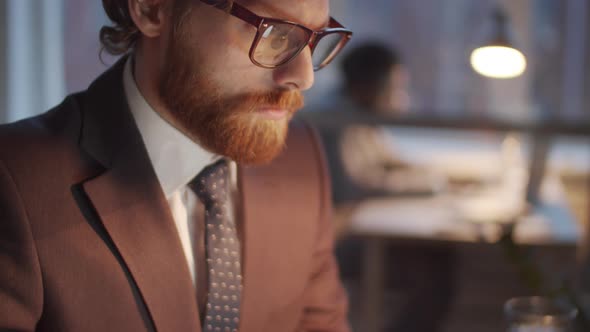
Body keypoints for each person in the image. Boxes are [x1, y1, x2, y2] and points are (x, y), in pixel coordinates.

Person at [0, 0, 353, 331]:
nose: (304, 77)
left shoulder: (300, 161)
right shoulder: (16, 180)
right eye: (274, 32)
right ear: (153, 9)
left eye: (313, 39)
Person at [304, 42, 455, 332]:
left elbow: (386, 161)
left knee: (439, 263)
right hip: (336, 238)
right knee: (435, 273)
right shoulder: (336, 120)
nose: (397, 95)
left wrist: (438, 175)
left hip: (354, 227)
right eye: (393, 85)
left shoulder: (359, 112)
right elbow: (357, 187)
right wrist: (431, 186)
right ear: (369, 84)